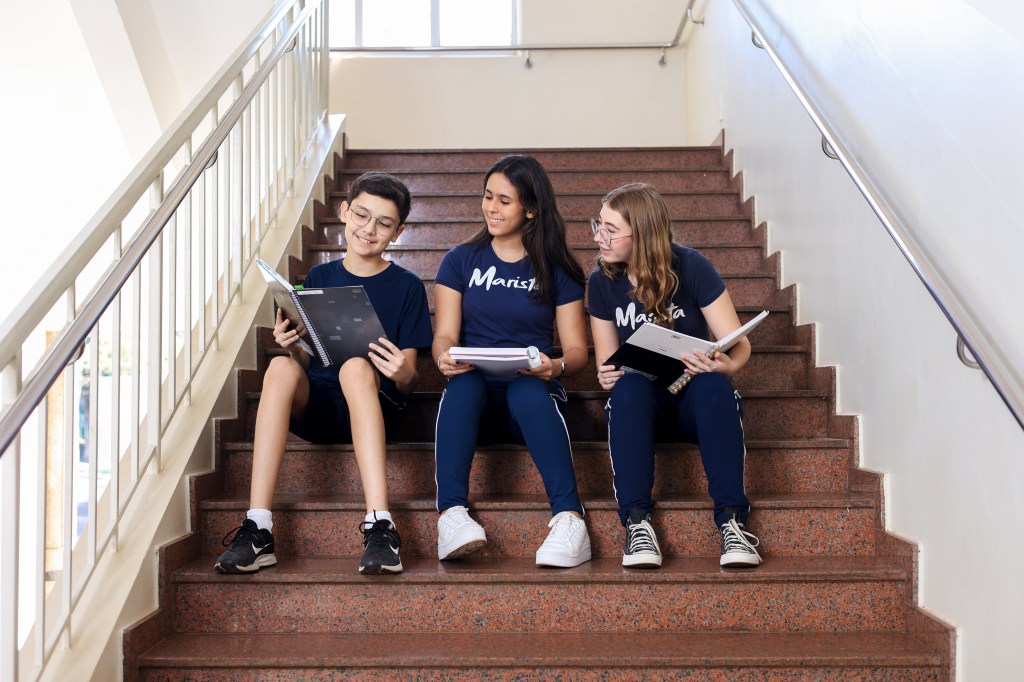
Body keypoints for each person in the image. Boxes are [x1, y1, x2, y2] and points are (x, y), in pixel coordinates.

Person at [215, 172, 433, 575]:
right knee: (280, 367)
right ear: (345, 212)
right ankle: (259, 527)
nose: (369, 229)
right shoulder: (318, 277)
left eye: (383, 224)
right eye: (362, 216)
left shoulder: (407, 287)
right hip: (319, 408)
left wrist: (405, 371)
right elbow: (306, 361)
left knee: (354, 367)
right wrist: (292, 347)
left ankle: (381, 525)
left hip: (376, 406)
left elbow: (409, 381)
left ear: (398, 231)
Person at [587, 183, 763, 569]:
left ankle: (733, 523)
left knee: (715, 384)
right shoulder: (601, 282)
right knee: (629, 386)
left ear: (644, 233)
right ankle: (637, 524)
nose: (600, 237)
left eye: (611, 229)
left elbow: (738, 343)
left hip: (693, 404)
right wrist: (606, 376)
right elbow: (607, 365)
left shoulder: (691, 266)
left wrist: (725, 365)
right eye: (598, 225)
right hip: (639, 409)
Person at [432, 154, 592, 568]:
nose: (492, 208)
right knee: (464, 384)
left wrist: (552, 366)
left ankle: (570, 518)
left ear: (531, 209)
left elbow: (577, 352)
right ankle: (451, 515)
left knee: (527, 387)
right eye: (488, 197)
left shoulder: (557, 269)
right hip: (474, 403)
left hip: (531, 400)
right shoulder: (459, 261)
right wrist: (443, 357)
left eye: (505, 200)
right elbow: (445, 335)